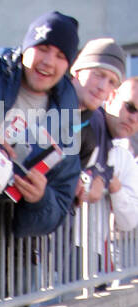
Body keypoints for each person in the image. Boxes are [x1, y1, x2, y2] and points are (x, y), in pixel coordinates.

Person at [0, 10, 81, 237]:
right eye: (42, 48)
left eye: (61, 56)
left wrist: (39, 199)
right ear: (26, 48)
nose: (48, 62)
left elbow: (60, 205)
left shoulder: (65, 122)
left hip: (12, 250)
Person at [70, 38, 126, 208]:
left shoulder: (94, 121)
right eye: (98, 74)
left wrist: (100, 177)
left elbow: (103, 164)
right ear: (77, 72)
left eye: (111, 82)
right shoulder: (47, 101)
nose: (103, 86)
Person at [103, 79, 138, 233]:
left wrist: (115, 186)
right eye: (130, 107)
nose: (134, 119)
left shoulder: (125, 158)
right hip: (52, 246)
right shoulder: (80, 123)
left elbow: (129, 221)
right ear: (111, 97)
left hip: (93, 251)